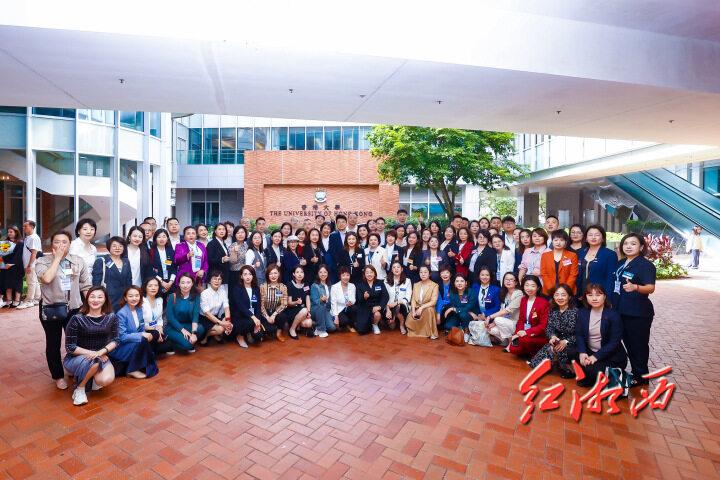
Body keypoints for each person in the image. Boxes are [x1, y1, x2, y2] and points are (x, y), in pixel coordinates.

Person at [37, 230, 93, 390]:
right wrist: (57, 259)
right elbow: (47, 278)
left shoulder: (78, 261)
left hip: (74, 308)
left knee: (75, 341)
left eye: (64, 242)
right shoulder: (42, 261)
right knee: (53, 343)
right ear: (51, 244)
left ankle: (73, 367)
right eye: (57, 242)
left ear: (70, 244)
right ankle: (58, 376)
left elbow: (86, 285)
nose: (61, 245)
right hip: (51, 309)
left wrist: (91, 307)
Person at [613, 233, 656, 387]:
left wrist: (635, 287)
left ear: (641, 247)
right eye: (626, 244)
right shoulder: (621, 262)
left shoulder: (645, 265)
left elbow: (650, 288)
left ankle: (641, 376)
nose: (629, 246)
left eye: (633, 243)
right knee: (626, 343)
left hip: (637, 313)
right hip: (620, 310)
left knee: (637, 345)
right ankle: (635, 372)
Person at [63, 286, 118, 405]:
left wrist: (102, 351)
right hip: (77, 357)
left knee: (105, 380)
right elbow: (70, 347)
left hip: (101, 355)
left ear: (105, 299)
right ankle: (80, 388)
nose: (95, 300)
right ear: (87, 299)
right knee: (94, 362)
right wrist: (95, 354)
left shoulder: (111, 317)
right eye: (92, 297)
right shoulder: (77, 319)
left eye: (100, 297)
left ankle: (90, 377)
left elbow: (115, 340)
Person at [576, 283, 627, 388]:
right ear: (586, 297)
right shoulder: (582, 313)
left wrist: (596, 356)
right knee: (571, 352)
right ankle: (592, 376)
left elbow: (614, 342)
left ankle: (607, 378)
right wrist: (582, 352)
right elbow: (579, 334)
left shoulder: (613, 315)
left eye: (598, 295)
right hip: (591, 351)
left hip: (611, 356)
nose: (594, 298)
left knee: (594, 371)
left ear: (604, 297)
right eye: (590, 295)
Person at [528, 284, 578, 378]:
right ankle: (554, 363)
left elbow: (580, 334)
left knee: (560, 349)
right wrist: (552, 336)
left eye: (563, 295)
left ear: (569, 297)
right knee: (535, 364)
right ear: (553, 297)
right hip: (557, 341)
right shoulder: (553, 310)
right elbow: (549, 327)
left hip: (572, 343)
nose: (560, 298)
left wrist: (566, 341)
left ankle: (568, 368)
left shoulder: (576, 312)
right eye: (557, 295)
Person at [111, 286, 159, 379]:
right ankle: (132, 370)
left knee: (153, 334)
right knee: (143, 339)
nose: (134, 298)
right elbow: (122, 337)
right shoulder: (121, 314)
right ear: (125, 298)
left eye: (137, 295)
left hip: (134, 340)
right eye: (131, 296)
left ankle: (141, 362)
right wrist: (142, 334)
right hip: (123, 345)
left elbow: (141, 327)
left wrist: (144, 333)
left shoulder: (139, 309)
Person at [507, 275, 549, 357]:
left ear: (538, 288)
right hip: (524, 332)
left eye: (533, 286)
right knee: (513, 349)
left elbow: (543, 325)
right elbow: (521, 320)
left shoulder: (543, 302)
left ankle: (536, 354)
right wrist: (517, 333)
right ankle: (528, 351)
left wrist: (526, 332)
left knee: (524, 341)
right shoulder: (523, 300)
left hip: (537, 334)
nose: (529, 288)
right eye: (527, 285)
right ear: (523, 287)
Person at [576, 225, 618, 299]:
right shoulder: (580, 252)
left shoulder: (610, 254)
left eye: (597, 235)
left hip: (599, 295)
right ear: (586, 238)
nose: (593, 237)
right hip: (581, 294)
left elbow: (611, 278)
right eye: (590, 235)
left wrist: (607, 297)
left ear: (603, 238)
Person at [165, 273, 203, 353]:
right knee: (188, 346)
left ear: (192, 284)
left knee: (200, 328)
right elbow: (170, 317)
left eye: (188, 282)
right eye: (182, 283)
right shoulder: (172, 296)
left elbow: (195, 316)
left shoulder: (196, 297)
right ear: (179, 284)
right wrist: (183, 330)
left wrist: (193, 333)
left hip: (187, 325)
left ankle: (185, 339)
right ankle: (170, 342)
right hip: (173, 326)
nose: (185, 285)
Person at [92, 236, 132, 312]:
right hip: (108, 299)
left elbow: (129, 280)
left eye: (120, 246)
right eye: (114, 246)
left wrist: (129, 296)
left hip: (123, 299)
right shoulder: (102, 261)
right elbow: (96, 284)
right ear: (109, 247)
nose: (117, 248)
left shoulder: (126, 261)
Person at [228, 265, 263, 348]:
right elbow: (240, 306)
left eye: (250, 274)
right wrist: (253, 317)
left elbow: (258, 306)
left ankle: (248, 333)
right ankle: (239, 336)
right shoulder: (237, 289)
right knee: (250, 322)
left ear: (253, 276)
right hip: (240, 316)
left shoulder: (256, 289)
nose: (248, 277)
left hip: (252, 316)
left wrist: (258, 320)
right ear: (241, 276)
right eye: (245, 274)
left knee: (259, 336)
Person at [485, 272, 523, 346]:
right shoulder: (505, 293)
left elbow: (507, 310)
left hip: (515, 323)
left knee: (497, 319)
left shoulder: (519, 293)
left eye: (511, 279)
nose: (508, 281)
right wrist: (493, 323)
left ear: (516, 282)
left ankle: (511, 343)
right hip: (506, 322)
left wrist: (490, 317)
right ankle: (506, 340)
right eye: (506, 279)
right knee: (490, 329)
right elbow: (501, 310)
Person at [540, 230, 579, 296]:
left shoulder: (572, 255)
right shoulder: (545, 255)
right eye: (556, 240)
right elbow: (544, 273)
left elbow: (573, 274)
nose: (558, 242)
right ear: (552, 241)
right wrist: (551, 289)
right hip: (549, 290)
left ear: (565, 242)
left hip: (568, 291)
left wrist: (565, 289)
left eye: (561, 240)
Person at [199, 271, 232, 345]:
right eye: (214, 278)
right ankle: (205, 336)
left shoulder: (223, 291)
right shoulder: (204, 294)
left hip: (215, 317)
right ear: (210, 280)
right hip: (204, 318)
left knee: (226, 325)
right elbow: (207, 314)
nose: (217, 281)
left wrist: (228, 321)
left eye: (219, 279)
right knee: (220, 329)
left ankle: (211, 334)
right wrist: (222, 323)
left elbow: (226, 308)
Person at [355, 265, 389, 335]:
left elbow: (385, 296)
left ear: (374, 273)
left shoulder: (380, 283)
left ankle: (375, 324)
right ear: (364, 274)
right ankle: (368, 323)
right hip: (365, 307)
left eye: (371, 272)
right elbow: (358, 299)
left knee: (377, 314)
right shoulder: (360, 284)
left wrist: (380, 306)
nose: (369, 274)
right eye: (367, 273)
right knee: (361, 331)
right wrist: (364, 297)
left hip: (376, 306)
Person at [141, 278, 171, 355]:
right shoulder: (141, 301)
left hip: (156, 329)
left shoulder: (160, 300)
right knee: (156, 337)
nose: (153, 288)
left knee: (168, 346)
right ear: (145, 287)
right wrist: (156, 330)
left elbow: (160, 319)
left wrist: (160, 329)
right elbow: (139, 323)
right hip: (145, 330)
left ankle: (150, 350)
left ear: (159, 287)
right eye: (150, 286)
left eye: (156, 285)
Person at [407, 265, 439, 339]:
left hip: (427, 308)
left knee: (429, 310)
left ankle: (430, 332)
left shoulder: (434, 285)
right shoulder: (416, 285)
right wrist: (413, 311)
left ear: (429, 274)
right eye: (421, 272)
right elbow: (413, 299)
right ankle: (418, 331)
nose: (423, 274)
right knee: (411, 316)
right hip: (417, 308)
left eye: (425, 272)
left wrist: (421, 308)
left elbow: (433, 302)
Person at [259, 264, 288, 342]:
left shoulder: (283, 287)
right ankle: (269, 331)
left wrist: (274, 315)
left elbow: (284, 304)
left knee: (283, 316)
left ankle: (279, 333)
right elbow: (260, 304)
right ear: (267, 275)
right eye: (271, 273)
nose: (273, 276)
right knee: (268, 329)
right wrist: (267, 317)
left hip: (276, 312)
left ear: (279, 274)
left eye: (275, 273)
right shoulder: (262, 287)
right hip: (265, 312)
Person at [18, 220, 42, 309]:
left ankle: (29, 301)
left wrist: (29, 265)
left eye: (25, 226)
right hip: (31, 264)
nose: (23, 228)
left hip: (31, 264)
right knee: (34, 281)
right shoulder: (29, 237)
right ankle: (36, 299)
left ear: (32, 227)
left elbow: (34, 253)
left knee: (31, 282)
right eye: (23, 226)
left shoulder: (33, 238)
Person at [285, 265, 313, 339]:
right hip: (292, 310)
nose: (300, 274)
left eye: (301, 272)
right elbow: (289, 303)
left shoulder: (306, 285)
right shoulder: (290, 284)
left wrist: (309, 312)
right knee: (304, 310)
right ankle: (292, 329)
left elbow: (307, 298)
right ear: (294, 274)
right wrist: (296, 302)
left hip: (302, 310)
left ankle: (298, 326)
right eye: (297, 272)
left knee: (309, 323)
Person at [384, 261, 412, 333]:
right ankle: (392, 319)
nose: (396, 269)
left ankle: (401, 325)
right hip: (389, 305)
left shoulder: (407, 281)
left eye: (398, 267)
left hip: (402, 305)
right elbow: (384, 296)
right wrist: (387, 308)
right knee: (391, 327)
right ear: (391, 270)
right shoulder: (386, 280)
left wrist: (397, 302)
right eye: (394, 267)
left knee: (398, 306)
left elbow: (408, 297)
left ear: (402, 269)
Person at [148, 229, 176, 298]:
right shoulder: (151, 252)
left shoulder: (171, 251)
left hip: (170, 283)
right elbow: (150, 269)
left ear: (167, 238)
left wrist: (170, 282)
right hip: (156, 282)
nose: (162, 239)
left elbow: (174, 267)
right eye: (159, 237)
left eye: (164, 236)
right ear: (155, 239)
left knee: (170, 302)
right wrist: (162, 282)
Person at [1, 226, 24, 307]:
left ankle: (17, 300)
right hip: (6, 266)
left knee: (17, 284)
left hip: (16, 266)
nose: (9, 233)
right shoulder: (6, 243)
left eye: (11, 232)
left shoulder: (20, 243)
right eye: (8, 232)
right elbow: (3, 254)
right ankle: (9, 300)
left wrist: (11, 263)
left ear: (16, 232)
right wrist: (4, 263)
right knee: (7, 283)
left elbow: (18, 255)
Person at [310, 265, 335, 338]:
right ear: (318, 273)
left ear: (327, 273)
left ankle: (316, 325)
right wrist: (321, 300)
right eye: (320, 272)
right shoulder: (314, 286)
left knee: (332, 328)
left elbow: (332, 301)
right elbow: (315, 302)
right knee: (321, 306)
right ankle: (320, 330)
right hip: (316, 309)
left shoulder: (330, 285)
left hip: (326, 309)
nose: (323, 274)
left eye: (325, 272)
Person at [330, 267, 357, 331]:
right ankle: (345, 324)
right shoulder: (334, 287)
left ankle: (350, 325)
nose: (346, 277)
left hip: (348, 307)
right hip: (339, 309)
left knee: (355, 308)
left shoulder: (352, 286)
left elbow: (354, 299)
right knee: (344, 321)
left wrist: (351, 302)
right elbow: (333, 303)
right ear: (340, 276)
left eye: (347, 275)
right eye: (343, 275)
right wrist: (336, 317)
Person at [206, 223, 231, 289]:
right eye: (219, 229)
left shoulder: (223, 243)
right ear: (215, 231)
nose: (222, 231)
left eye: (223, 229)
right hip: (215, 276)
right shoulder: (211, 244)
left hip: (224, 276)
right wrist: (222, 259)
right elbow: (209, 260)